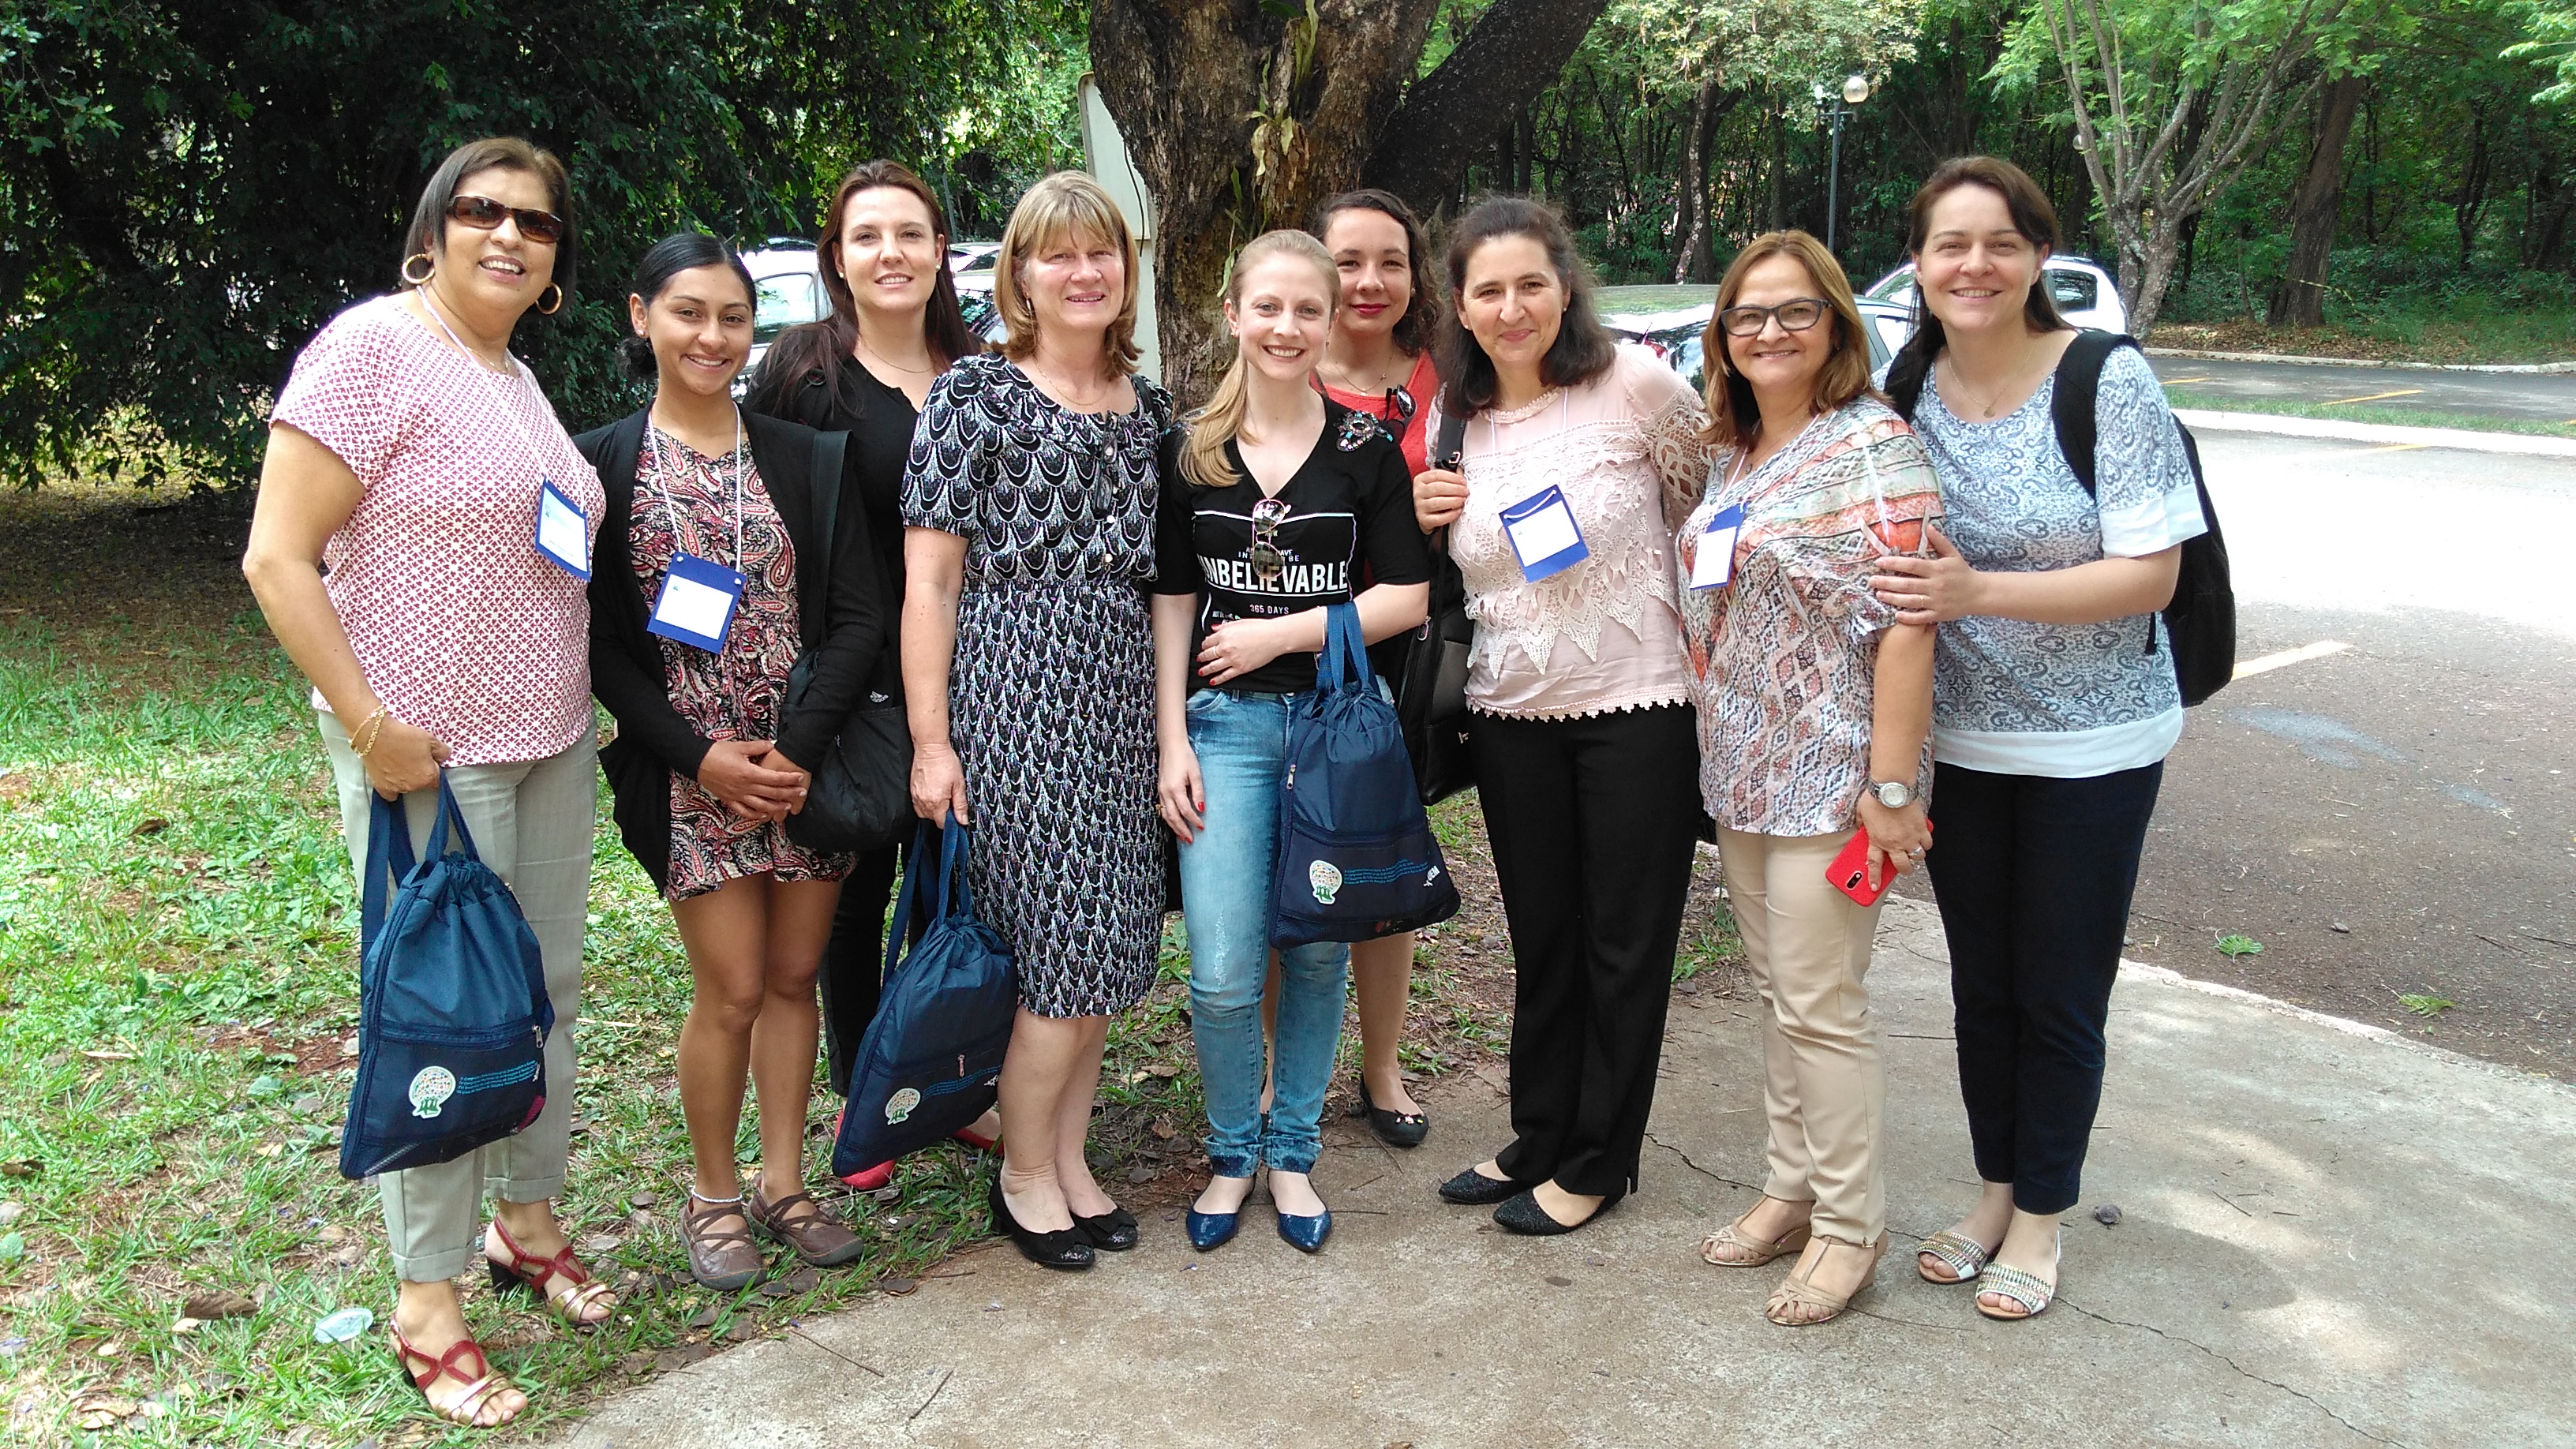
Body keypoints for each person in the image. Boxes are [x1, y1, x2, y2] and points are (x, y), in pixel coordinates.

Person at [241, 137, 607, 1428]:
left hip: (549, 737)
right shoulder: (372, 349)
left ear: (556, 262)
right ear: (433, 227)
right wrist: (369, 722)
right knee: (449, 1017)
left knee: (543, 996)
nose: (508, 235)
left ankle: (524, 1221)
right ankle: (426, 1300)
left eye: (536, 223)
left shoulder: (513, 374)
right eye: (482, 211)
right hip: (429, 759)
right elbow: (276, 557)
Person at [1866, 156, 2207, 1322]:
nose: (1974, 265)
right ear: (1918, 263)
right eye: (1950, 244)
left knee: (2059, 991)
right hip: (1962, 742)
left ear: (2038, 258)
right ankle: (1996, 1193)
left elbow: (2151, 575)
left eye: (1999, 243)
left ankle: (2045, 1218)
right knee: (1983, 986)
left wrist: (1980, 594)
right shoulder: (1905, 388)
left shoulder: (2106, 379)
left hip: (2093, 747)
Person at [578, 234, 886, 1290]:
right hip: (689, 773)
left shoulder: (804, 457)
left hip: (804, 766)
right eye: (689, 313)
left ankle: (783, 1185)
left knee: (796, 977)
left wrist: (794, 754)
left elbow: (859, 616)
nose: (712, 337)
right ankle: (713, 1197)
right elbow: (599, 644)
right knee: (733, 989)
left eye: (732, 317)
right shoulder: (601, 464)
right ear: (642, 316)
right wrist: (703, 760)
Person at [1411, 197, 1711, 1237]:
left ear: (1565, 286)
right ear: (1460, 306)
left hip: (1639, 704)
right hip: (1508, 712)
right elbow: (1459, 569)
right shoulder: (1458, 422)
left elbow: (1705, 517)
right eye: (1488, 290)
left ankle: (1597, 1161)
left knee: (1624, 940)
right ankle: (1539, 1135)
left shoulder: (1638, 384)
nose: (1512, 308)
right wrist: (1427, 517)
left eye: (1530, 284)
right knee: (1544, 939)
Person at [901, 172, 1173, 1271]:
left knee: (1107, 947)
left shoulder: (1151, 408)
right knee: (1061, 949)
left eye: (1101, 252)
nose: (1082, 272)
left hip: (1123, 698)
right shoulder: (973, 395)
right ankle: (1022, 1175)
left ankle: (1067, 1160)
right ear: (1020, 273)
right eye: (1057, 253)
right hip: (1016, 694)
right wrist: (933, 742)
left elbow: (1171, 576)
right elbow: (930, 584)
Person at [1676, 230, 1941, 1327]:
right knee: (1779, 992)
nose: (1770, 332)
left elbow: (1911, 624)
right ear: (1723, 337)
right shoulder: (1734, 451)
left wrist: (1891, 789)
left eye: (1796, 311)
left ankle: (1850, 1225)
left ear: (1837, 322)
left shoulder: (1874, 446)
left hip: (1836, 779)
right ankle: (1792, 1188)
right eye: (1748, 315)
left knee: (1823, 1005)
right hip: (1741, 768)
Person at [1150, 230, 1431, 1252]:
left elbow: (1407, 596)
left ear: (1329, 320)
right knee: (1224, 971)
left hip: (1328, 732)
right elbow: (1171, 597)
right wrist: (1171, 738)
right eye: (1266, 307)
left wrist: (1282, 633)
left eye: (1307, 309)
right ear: (1233, 315)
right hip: (1220, 732)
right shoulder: (1189, 450)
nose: (1286, 327)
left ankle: (1293, 1157)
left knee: (1314, 956)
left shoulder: (1363, 450)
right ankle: (1233, 1155)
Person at [739, 159, 998, 1174]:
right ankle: (865, 1100)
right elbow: (763, 519)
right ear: (837, 260)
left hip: (981, 669)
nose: (891, 253)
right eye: (867, 236)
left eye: (911, 234)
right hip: (853, 676)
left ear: (940, 252)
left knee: (959, 883)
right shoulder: (805, 375)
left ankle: (942, 1079)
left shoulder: (984, 374)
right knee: (854, 889)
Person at [1305, 188, 1443, 1147]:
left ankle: (1383, 1064)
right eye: (1347, 261)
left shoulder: (1453, 380)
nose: (1368, 281)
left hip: (1411, 648)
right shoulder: (1281, 364)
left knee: (1388, 859)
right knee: (1301, 853)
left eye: (1389, 261)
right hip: (1296, 644)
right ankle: (1285, 1072)